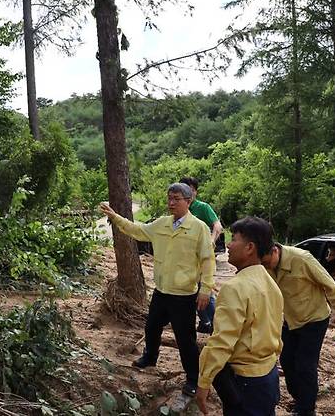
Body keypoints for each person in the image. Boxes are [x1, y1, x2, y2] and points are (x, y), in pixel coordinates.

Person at [99, 183, 215, 397]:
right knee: (152, 327)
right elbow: (138, 230)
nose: (171, 202)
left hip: (184, 295)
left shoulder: (199, 228)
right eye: (169, 198)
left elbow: (208, 260)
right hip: (162, 291)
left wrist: (206, 289)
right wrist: (115, 217)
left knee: (185, 338)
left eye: (176, 199)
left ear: (188, 202)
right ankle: (150, 357)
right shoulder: (162, 224)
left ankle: (192, 378)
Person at [196, 216, 283, 415]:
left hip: (246, 381)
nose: (228, 244)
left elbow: (222, 341)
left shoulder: (234, 288)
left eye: (234, 239)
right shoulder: (271, 284)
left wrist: (204, 381)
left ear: (249, 247)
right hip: (268, 376)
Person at [261, 241, 335, 416]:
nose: (264, 266)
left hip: (314, 319)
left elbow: (329, 284)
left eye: (265, 262)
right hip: (290, 320)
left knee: (305, 365)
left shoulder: (302, 259)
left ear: (274, 251)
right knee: (286, 361)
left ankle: (307, 409)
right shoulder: (265, 264)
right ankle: (300, 398)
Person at [180, 176, 223, 334]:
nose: (188, 194)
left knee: (205, 290)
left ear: (195, 192)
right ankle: (205, 322)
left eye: (190, 190)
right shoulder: (179, 208)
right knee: (192, 291)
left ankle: (217, 325)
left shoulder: (202, 207)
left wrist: (211, 240)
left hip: (202, 258)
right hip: (185, 258)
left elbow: (217, 226)